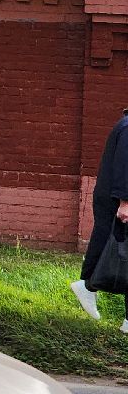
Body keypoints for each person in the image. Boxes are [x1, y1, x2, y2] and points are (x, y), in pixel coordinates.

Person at [72, 110, 128, 331]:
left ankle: (88, 287)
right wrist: (125, 202)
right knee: (111, 248)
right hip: (117, 202)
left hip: (116, 200)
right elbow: (125, 167)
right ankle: (87, 285)